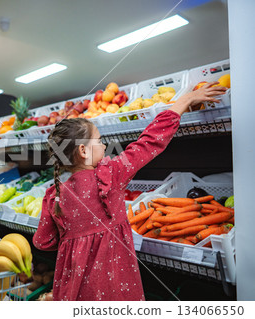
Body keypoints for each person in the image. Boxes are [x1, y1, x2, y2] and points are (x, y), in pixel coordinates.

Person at [32, 82, 228, 301]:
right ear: (84, 150)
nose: (104, 146)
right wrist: (185, 100)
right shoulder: (109, 176)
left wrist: (75, 239)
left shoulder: (53, 195)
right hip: (114, 285)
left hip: (74, 289)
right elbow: (148, 142)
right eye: (99, 141)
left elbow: (43, 242)